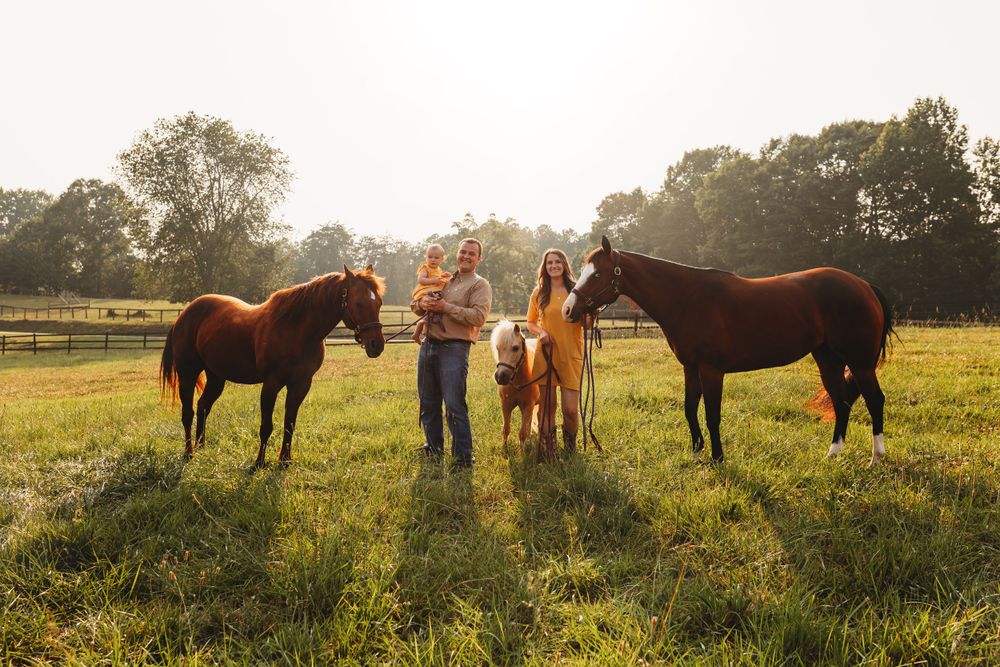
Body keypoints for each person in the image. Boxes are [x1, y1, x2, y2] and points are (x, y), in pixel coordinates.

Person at [411, 238, 492, 468]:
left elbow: (478, 317)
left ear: (478, 259)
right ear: (457, 254)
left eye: (472, 254)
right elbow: (415, 305)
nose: (466, 256)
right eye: (463, 252)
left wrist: (446, 308)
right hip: (429, 345)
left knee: (454, 404)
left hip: (454, 348)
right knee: (428, 401)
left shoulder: (479, 285)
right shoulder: (443, 279)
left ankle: (463, 457)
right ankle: (433, 449)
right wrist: (422, 303)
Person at [525, 248, 585, 457]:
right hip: (546, 354)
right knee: (548, 405)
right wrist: (541, 332)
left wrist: (591, 315)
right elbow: (530, 323)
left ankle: (570, 450)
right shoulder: (539, 292)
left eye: (558, 262)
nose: (554, 266)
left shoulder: (577, 290)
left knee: (570, 409)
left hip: (571, 355)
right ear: (545, 266)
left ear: (564, 264)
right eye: (550, 262)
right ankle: (549, 450)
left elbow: (586, 324)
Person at [410, 243, 452, 342]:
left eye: (436, 257)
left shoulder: (438, 270)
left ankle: (420, 330)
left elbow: (440, 279)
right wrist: (434, 281)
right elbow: (421, 280)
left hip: (433, 292)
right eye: (430, 257)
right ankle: (417, 332)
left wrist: (445, 276)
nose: (432, 259)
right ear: (426, 257)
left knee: (431, 313)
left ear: (442, 259)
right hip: (425, 292)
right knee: (430, 311)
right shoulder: (425, 268)